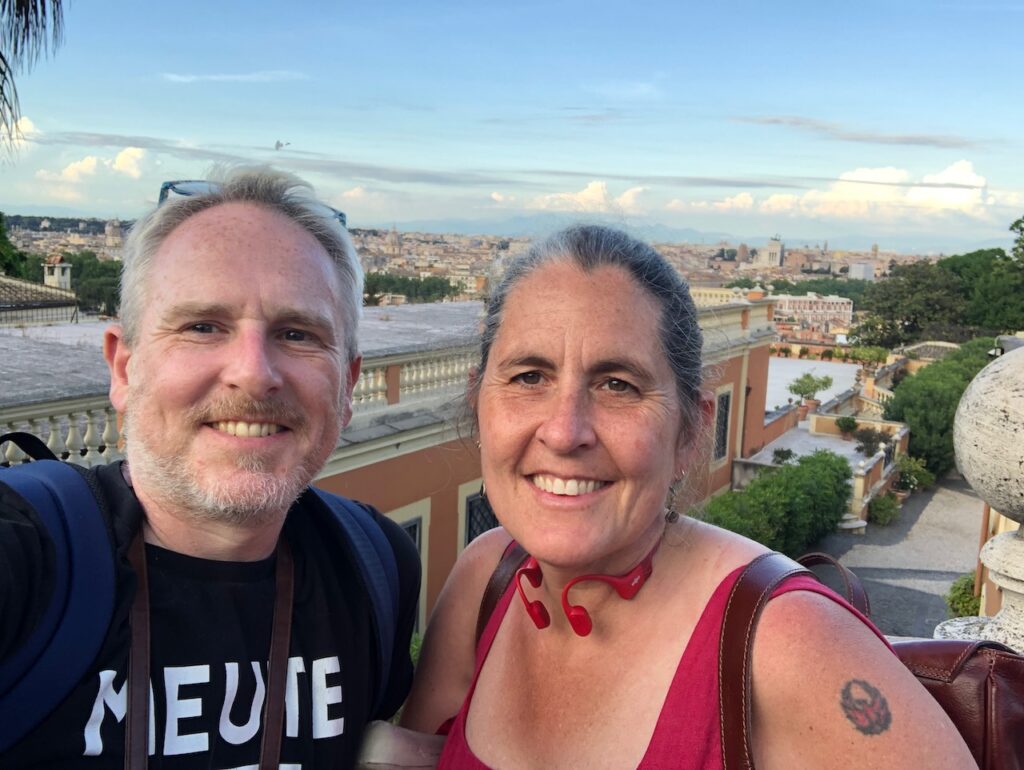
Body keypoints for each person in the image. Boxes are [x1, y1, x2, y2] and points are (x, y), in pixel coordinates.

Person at [399, 225, 976, 768]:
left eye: (617, 384)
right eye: (529, 377)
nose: (563, 430)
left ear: (689, 433)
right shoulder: (484, 580)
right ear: (479, 403)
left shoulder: (788, 643)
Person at [0, 167, 420, 767]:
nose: (253, 372)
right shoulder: (24, 555)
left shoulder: (376, 567)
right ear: (124, 369)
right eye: (202, 326)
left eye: (297, 334)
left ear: (348, 386)